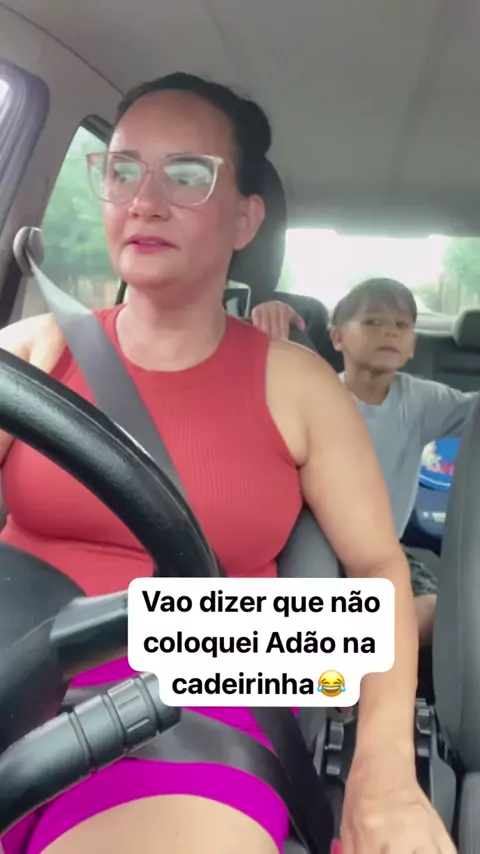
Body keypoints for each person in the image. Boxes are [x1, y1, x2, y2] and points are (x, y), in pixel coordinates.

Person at [0, 76, 455, 854]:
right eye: (122, 169)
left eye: (186, 174)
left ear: (246, 218)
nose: (144, 200)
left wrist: (383, 774)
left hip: (192, 691)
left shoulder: (300, 385)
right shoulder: (31, 353)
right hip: (13, 660)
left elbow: (379, 572)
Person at [252, 280, 478, 645]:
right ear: (338, 337)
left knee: (441, 609)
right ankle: (348, 644)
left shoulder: (421, 400)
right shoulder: (316, 393)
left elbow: (474, 412)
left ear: (412, 345)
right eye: (372, 322)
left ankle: (353, 640)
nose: (390, 331)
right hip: (321, 541)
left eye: (401, 325)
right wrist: (274, 323)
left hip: (386, 546)